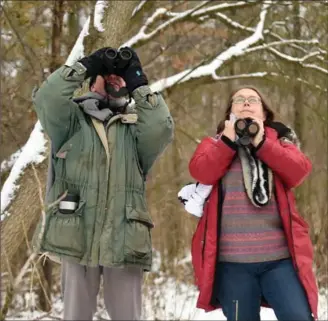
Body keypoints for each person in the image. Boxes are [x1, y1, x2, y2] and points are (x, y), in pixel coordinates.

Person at [32, 46, 174, 320]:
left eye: (121, 77)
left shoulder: (136, 131)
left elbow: (162, 127)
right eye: (106, 74)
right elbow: (48, 98)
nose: (114, 79)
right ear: (92, 80)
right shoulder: (71, 121)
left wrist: (139, 83)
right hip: (76, 234)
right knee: (75, 315)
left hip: (125, 237)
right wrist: (87, 64)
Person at [184, 86, 318, 321]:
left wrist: (262, 143)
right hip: (232, 264)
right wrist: (227, 142)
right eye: (239, 100)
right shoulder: (214, 144)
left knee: (298, 316)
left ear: (264, 113)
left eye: (252, 100)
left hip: (279, 261)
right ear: (230, 113)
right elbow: (201, 171)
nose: (246, 103)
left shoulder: (281, 143)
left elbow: (298, 170)